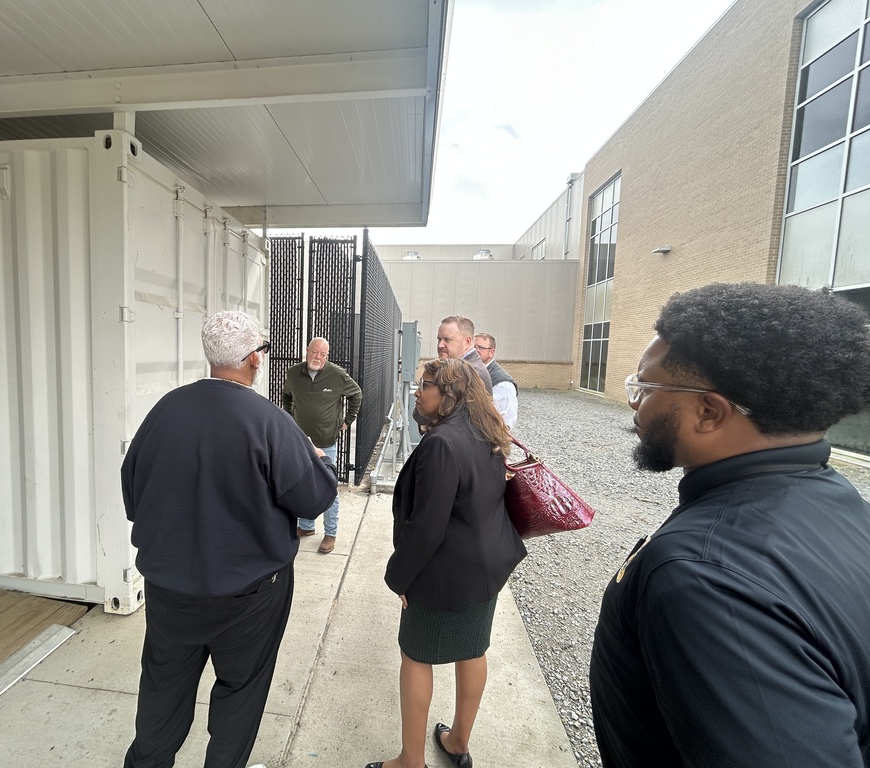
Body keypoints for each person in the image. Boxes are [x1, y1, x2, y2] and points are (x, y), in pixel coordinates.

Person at [589, 283, 870, 768]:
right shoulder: (841, 501)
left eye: (646, 388)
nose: (635, 403)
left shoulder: (703, 577)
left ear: (709, 412)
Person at [122, 311, 338, 768]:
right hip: (250, 595)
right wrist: (319, 459)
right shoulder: (269, 421)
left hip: (170, 589)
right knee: (240, 693)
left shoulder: (165, 411)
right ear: (254, 359)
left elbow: (132, 488)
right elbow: (314, 497)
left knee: (162, 687)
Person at [367, 358, 527, 768]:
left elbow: (427, 528)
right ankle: (457, 742)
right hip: (486, 571)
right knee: (472, 650)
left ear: (450, 394)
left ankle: (411, 760)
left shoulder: (442, 443)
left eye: (426, 385)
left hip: (443, 574)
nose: (417, 391)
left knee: (415, 657)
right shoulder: (487, 431)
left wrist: (399, 577)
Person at [281, 336, 363, 554]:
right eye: (315, 352)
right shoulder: (293, 373)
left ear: (327, 356)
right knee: (301, 484)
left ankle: (330, 533)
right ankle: (307, 526)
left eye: (323, 354)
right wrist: (290, 419)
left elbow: (356, 395)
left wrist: (347, 421)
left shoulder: (337, 375)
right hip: (300, 441)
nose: (318, 357)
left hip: (326, 442)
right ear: (307, 350)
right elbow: (286, 396)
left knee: (329, 488)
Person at [474, 332, 518, 428]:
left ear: (491, 352)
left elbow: (505, 423)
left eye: (480, 348)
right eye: (473, 347)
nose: (476, 351)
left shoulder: (503, 383)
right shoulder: (471, 373)